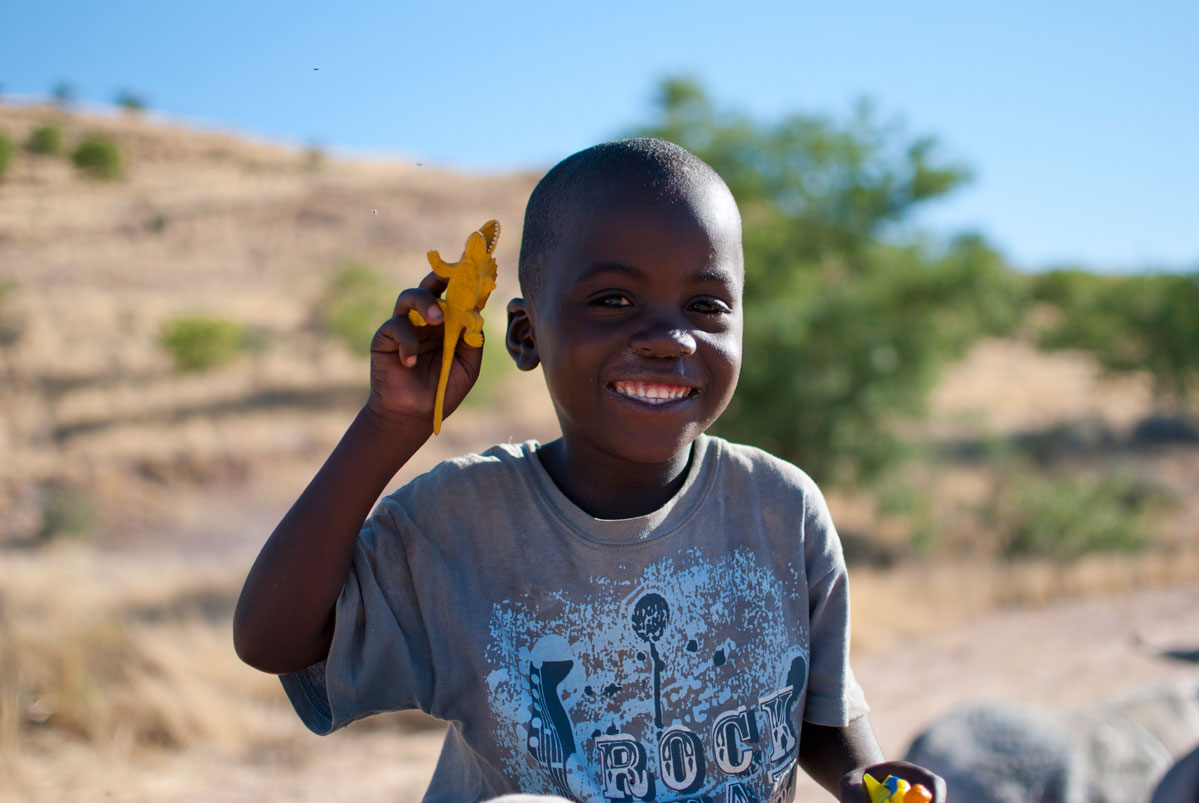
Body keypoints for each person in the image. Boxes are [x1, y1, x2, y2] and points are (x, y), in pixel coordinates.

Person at [233, 137, 946, 802]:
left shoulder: (777, 506)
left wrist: (865, 781)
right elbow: (273, 640)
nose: (669, 338)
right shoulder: (463, 524)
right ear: (525, 334)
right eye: (613, 300)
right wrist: (390, 425)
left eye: (705, 305)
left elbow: (815, 712)